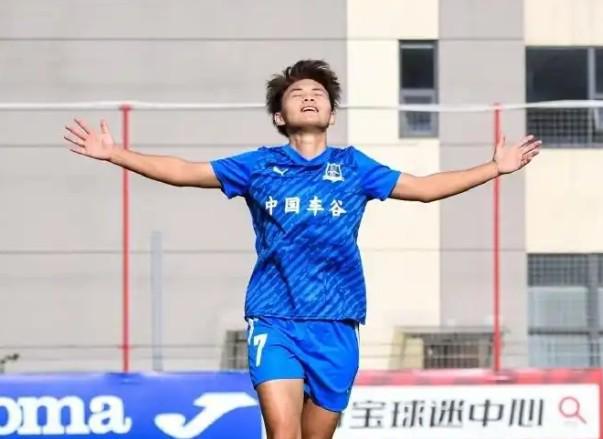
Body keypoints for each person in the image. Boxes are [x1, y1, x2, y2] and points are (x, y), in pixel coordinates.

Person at [63, 59, 541, 439]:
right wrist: (116, 153)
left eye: (319, 94)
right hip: (274, 318)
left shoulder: (354, 167)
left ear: (330, 114)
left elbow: (424, 188)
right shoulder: (258, 166)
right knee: (283, 433)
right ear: (279, 116)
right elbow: (186, 172)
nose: (309, 97)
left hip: (336, 323)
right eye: (297, 94)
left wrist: (494, 168)